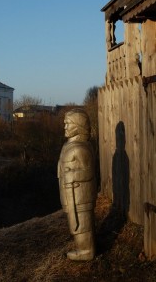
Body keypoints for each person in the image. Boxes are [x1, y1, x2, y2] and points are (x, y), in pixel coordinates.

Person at [58, 109, 97, 261]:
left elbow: (88, 172)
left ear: (78, 126)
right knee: (75, 223)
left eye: (68, 124)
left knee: (82, 224)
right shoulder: (69, 145)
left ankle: (86, 250)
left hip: (80, 195)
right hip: (70, 194)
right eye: (65, 124)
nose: (65, 127)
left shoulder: (80, 149)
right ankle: (83, 247)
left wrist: (71, 175)